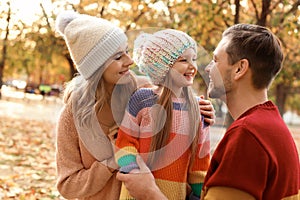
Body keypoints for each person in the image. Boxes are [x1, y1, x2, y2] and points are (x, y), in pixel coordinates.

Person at [117, 24, 300, 200]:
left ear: (239, 69)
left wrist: (149, 194)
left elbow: (199, 169)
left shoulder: (248, 137)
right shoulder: (271, 128)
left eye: (215, 60)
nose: (205, 68)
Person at [55, 11, 215, 200]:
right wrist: (112, 162)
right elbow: (67, 185)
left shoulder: (144, 93)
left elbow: (179, 103)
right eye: (117, 57)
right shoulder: (72, 116)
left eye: (127, 52)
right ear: (95, 68)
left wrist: (201, 110)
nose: (129, 61)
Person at [115, 29, 211, 200]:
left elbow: (200, 166)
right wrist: (135, 173)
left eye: (194, 59)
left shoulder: (198, 110)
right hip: (134, 193)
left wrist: (198, 195)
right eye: (184, 60)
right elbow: (124, 143)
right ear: (162, 67)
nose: (193, 66)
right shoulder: (142, 100)